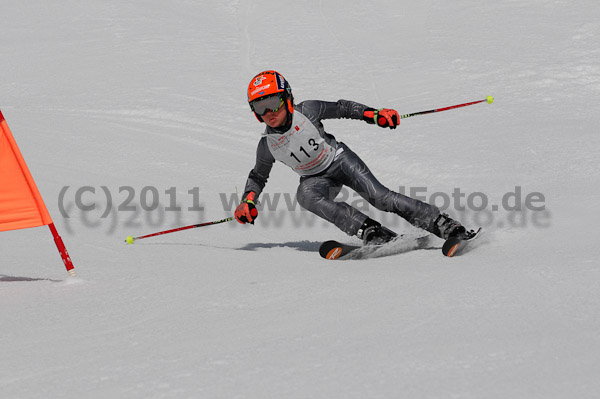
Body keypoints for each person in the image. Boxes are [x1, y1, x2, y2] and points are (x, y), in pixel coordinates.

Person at [235, 70, 475, 245]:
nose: (268, 113)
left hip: (339, 161)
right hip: (315, 180)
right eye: (259, 108)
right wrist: (248, 201)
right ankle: (370, 231)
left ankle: (442, 224)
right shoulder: (267, 145)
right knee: (304, 195)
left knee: (380, 197)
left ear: (287, 98)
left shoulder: (307, 111)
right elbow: (258, 176)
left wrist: (374, 114)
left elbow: (342, 108)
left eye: (273, 103)